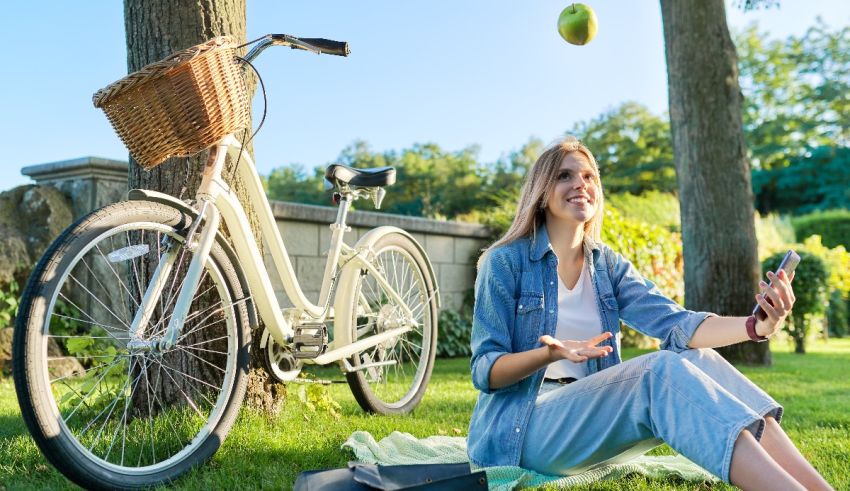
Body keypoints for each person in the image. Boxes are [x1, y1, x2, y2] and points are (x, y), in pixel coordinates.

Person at [467, 136, 832, 490]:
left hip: (591, 421)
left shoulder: (606, 265)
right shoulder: (504, 263)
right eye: (565, 175)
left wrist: (757, 326)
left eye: (589, 176)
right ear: (542, 192)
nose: (581, 183)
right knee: (656, 372)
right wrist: (548, 354)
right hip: (522, 429)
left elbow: (679, 324)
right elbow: (486, 371)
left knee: (698, 358)